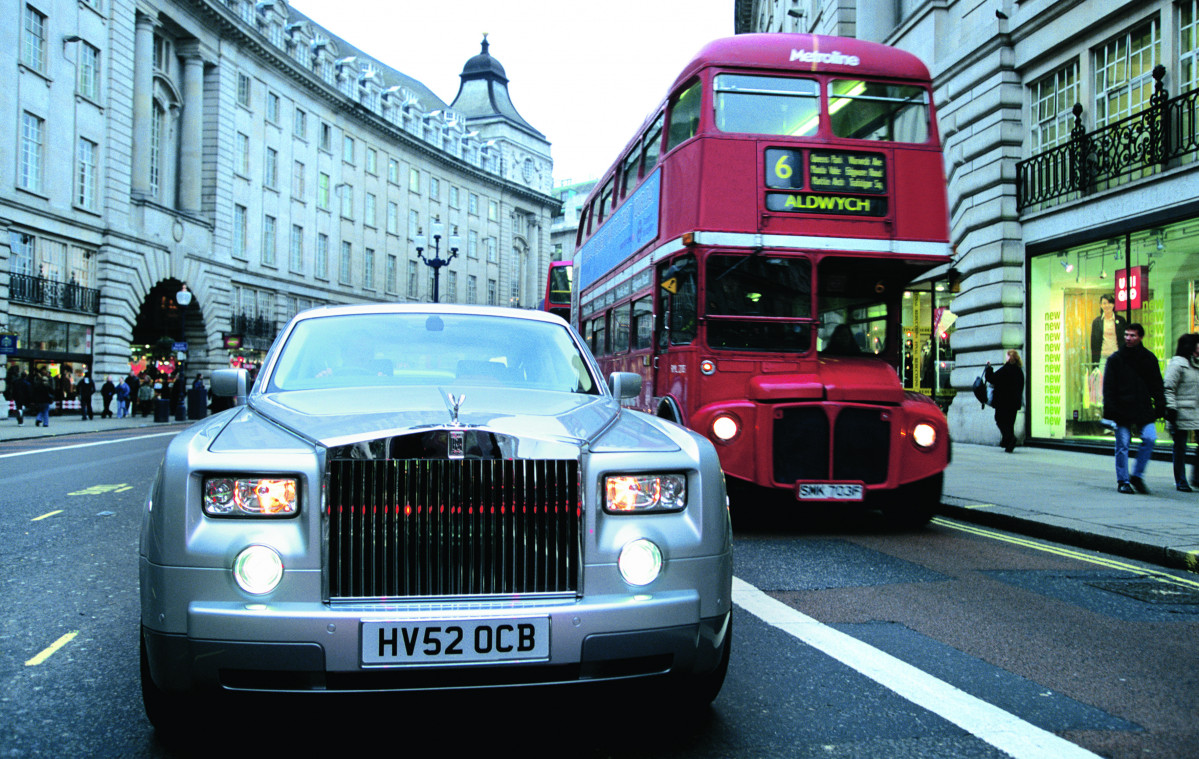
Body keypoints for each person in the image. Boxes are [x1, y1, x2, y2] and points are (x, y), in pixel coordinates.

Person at [1103, 323, 1165, 494]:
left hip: (1143, 407)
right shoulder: (1116, 359)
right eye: (1126, 335)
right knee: (1122, 444)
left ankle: (1136, 475)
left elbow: (1157, 385)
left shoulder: (1149, 359)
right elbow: (1108, 387)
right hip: (1121, 409)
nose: (1128, 338)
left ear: (1141, 337)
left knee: (1150, 438)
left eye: (1132, 335)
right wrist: (1110, 410)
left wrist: (1160, 404)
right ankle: (1123, 480)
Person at [1163, 333, 1199, 491]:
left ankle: (1196, 478)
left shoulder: (1196, 363)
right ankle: (1181, 480)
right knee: (1180, 447)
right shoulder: (1178, 364)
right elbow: (1168, 388)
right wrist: (1171, 408)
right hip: (1181, 412)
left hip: (1196, 411)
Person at [985, 349, 1025, 453]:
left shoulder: (1005, 369)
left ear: (1009, 358)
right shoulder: (1019, 371)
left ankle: (1010, 438)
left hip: (1003, 402)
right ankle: (1007, 443)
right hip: (1014, 402)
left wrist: (988, 368)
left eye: (1007, 356)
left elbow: (992, 378)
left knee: (1000, 420)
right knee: (1010, 422)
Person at [1091, 293, 1128, 364]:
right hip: (1103, 357)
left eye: (1109, 303)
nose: (1107, 305)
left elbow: (1125, 340)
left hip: (1118, 356)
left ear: (1113, 305)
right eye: (1104, 303)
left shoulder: (1121, 320)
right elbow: (1094, 344)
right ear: (1101, 305)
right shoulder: (1096, 322)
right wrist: (1095, 362)